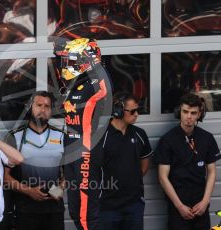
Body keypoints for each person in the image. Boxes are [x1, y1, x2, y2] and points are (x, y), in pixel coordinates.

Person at [54, 37, 109, 229]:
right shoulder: (77, 84)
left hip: (86, 153)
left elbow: (104, 88)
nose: (67, 65)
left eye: (71, 60)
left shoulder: (96, 82)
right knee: (75, 211)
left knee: (87, 214)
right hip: (70, 153)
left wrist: (94, 61)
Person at [153, 93, 221, 230]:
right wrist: (180, 206)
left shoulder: (207, 138)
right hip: (178, 206)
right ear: (179, 112)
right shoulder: (167, 141)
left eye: (193, 113)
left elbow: (212, 171)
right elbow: (162, 177)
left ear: (199, 115)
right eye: (185, 112)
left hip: (200, 205)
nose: (188, 117)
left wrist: (205, 201)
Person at [4, 91, 65, 230]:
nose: (42, 110)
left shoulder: (61, 136)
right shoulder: (15, 137)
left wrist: (59, 190)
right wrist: (29, 191)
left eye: (47, 106)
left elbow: (70, 172)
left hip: (54, 210)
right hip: (25, 210)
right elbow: (5, 176)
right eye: (38, 105)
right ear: (30, 107)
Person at [98, 93, 152, 230]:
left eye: (137, 110)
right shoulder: (101, 137)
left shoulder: (140, 134)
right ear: (119, 111)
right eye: (132, 111)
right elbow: (92, 170)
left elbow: (145, 164)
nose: (137, 114)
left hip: (134, 205)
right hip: (107, 206)